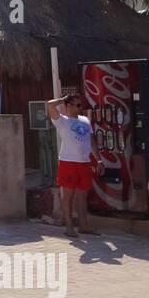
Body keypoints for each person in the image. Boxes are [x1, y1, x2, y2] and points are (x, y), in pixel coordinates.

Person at [47, 93, 98, 238]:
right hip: (68, 162)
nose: (81, 108)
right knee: (68, 196)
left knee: (82, 195)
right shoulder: (62, 120)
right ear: (68, 106)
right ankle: (69, 227)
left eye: (81, 105)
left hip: (85, 162)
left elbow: (91, 141)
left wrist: (98, 160)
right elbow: (50, 104)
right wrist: (63, 99)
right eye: (78, 105)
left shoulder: (85, 120)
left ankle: (84, 225)